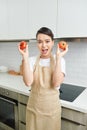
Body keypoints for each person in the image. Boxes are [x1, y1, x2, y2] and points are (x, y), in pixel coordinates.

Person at [18, 27, 68, 130]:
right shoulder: (31, 60)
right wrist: (25, 58)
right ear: (37, 44)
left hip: (52, 113)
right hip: (34, 111)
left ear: (53, 43)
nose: (43, 45)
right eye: (40, 42)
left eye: (47, 41)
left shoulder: (60, 61)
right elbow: (28, 82)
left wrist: (58, 58)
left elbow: (56, 83)